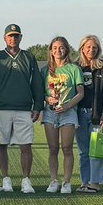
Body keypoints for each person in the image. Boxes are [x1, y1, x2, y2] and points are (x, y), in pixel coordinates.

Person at [0, 24, 44, 194]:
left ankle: (26, 180)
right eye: (10, 36)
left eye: (16, 36)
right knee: (1, 144)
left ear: (21, 37)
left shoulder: (29, 57)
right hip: (1, 107)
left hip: (24, 108)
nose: (13, 38)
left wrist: (38, 105)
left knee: (26, 146)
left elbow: (36, 83)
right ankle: (6, 179)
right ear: (4, 38)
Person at [42, 36, 84, 194]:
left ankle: (66, 182)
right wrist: (48, 99)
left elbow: (80, 93)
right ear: (51, 51)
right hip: (50, 113)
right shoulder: (45, 70)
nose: (58, 50)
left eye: (61, 47)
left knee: (67, 148)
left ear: (66, 49)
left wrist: (67, 106)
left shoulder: (74, 69)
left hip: (68, 112)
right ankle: (54, 180)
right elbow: (40, 93)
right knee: (53, 148)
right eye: (55, 48)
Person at [74, 35, 103, 193]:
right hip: (79, 115)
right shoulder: (75, 67)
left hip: (98, 116)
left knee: (96, 150)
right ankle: (85, 182)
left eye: (94, 47)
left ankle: (95, 183)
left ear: (98, 50)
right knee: (83, 151)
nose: (91, 50)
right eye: (88, 47)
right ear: (82, 48)